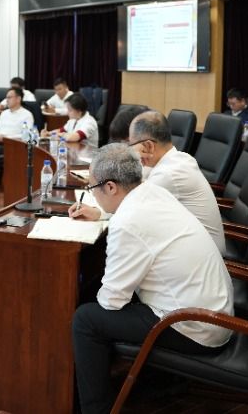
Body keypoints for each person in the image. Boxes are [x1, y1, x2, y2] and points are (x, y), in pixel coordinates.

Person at [68, 143, 233, 414]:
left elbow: (111, 302)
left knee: (86, 320)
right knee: (99, 294)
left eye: (92, 188)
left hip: (193, 327)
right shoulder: (154, 191)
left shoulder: (127, 223)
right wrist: (102, 214)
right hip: (214, 313)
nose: (93, 194)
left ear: (111, 187)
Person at [129, 111, 225, 254]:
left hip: (203, 256)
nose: (132, 150)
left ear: (148, 146)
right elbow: (138, 179)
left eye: (131, 145)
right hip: (194, 245)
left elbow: (131, 209)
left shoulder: (168, 174)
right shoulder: (179, 157)